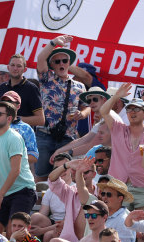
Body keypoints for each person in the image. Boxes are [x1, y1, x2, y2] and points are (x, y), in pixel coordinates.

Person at [100, 83, 144, 219]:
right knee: (115, 227)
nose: (132, 112)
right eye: (129, 109)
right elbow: (104, 111)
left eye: (137, 109)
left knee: (142, 230)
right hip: (118, 187)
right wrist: (116, 97)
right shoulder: (118, 128)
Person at [35, 35, 86, 180]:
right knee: (41, 175)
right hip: (45, 134)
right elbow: (40, 59)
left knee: (64, 175)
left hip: (67, 137)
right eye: (57, 61)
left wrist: (82, 114)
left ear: (69, 63)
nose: (61, 64)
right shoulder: (47, 79)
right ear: (52, 65)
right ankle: (41, 201)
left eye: (65, 61)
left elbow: (87, 107)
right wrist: (53, 43)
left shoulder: (79, 86)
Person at [0, 102, 37, 232]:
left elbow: (16, 170)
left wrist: (0, 194)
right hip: (3, 192)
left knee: (13, 231)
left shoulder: (14, 137)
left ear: (9, 118)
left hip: (23, 190)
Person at [0, 54, 44, 126]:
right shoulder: (3, 87)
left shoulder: (31, 88)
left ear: (25, 69)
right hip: (4, 133)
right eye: (12, 65)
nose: (15, 68)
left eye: (19, 66)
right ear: (8, 67)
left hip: (23, 135)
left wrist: (15, 119)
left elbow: (41, 120)